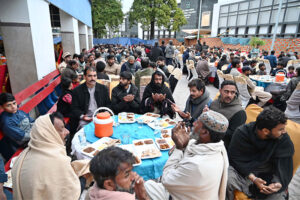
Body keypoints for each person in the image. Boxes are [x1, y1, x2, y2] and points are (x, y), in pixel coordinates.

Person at [145, 110, 229, 200]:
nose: (193, 123)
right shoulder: (219, 148)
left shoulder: (197, 166)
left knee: (146, 186)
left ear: (205, 133)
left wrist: (178, 148)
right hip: (191, 190)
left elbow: (166, 180)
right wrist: (184, 146)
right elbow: (191, 145)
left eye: (197, 122)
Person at [12, 112, 90, 200]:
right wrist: (83, 178)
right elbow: (71, 195)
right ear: (48, 133)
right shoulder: (57, 160)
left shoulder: (22, 155)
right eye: (61, 129)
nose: (67, 132)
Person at [226, 107, 294, 200]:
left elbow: (285, 167)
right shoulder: (242, 133)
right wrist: (253, 178)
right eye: (280, 129)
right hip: (242, 172)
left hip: (268, 175)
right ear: (266, 131)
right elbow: (235, 159)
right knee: (227, 179)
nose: (284, 131)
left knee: (278, 197)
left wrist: (278, 183)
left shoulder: (283, 138)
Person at [70, 67, 111, 135]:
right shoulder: (77, 91)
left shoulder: (103, 89)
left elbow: (108, 105)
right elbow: (74, 108)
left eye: (94, 76)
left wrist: (104, 114)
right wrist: (83, 116)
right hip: (85, 120)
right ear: (84, 76)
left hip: (101, 118)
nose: (93, 78)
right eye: (90, 76)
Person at [208, 80, 246, 147]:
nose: (229, 95)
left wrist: (213, 125)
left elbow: (233, 135)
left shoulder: (239, 112)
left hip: (222, 146)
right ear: (220, 91)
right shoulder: (215, 103)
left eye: (232, 92)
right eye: (226, 91)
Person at [0, 93, 34, 161]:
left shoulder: (19, 112)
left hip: (32, 136)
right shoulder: (6, 121)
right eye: (8, 105)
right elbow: (22, 137)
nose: (13, 107)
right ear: (2, 107)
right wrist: (36, 132)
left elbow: (33, 122)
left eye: (14, 103)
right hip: (24, 144)